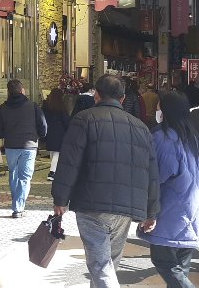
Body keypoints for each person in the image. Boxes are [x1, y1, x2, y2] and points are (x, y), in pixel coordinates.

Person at [52, 74, 160, 288]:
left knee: (101, 265)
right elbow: (152, 172)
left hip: (91, 204)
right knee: (109, 264)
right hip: (126, 208)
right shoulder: (141, 128)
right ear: (122, 99)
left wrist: (60, 199)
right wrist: (152, 211)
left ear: (96, 95)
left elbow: (69, 162)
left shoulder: (84, 119)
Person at [137, 91, 199, 288]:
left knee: (165, 264)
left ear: (165, 109)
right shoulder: (198, 141)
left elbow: (154, 179)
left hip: (171, 214)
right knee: (180, 268)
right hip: (197, 214)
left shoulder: (163, 139)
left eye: (159, 106)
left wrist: (147, 211)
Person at [0, 79, 47, 218]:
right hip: (29, 146)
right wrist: (39, 136)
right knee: (25, 177)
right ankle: (18, 207)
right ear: (22, 90)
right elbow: (43, 125)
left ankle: (17, 202)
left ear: (8, 92)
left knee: (14, 174)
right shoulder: (33, 106)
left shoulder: (2, 108)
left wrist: (6, 135)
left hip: (11, 145)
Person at [41, 88, 69, 182]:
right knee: (57, 153)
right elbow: (66, 121)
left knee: (53, 153)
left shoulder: (45, 106)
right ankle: (52, 172)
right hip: (59, 133)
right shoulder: (61, 107)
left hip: (49, 132)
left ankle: (54, 170)